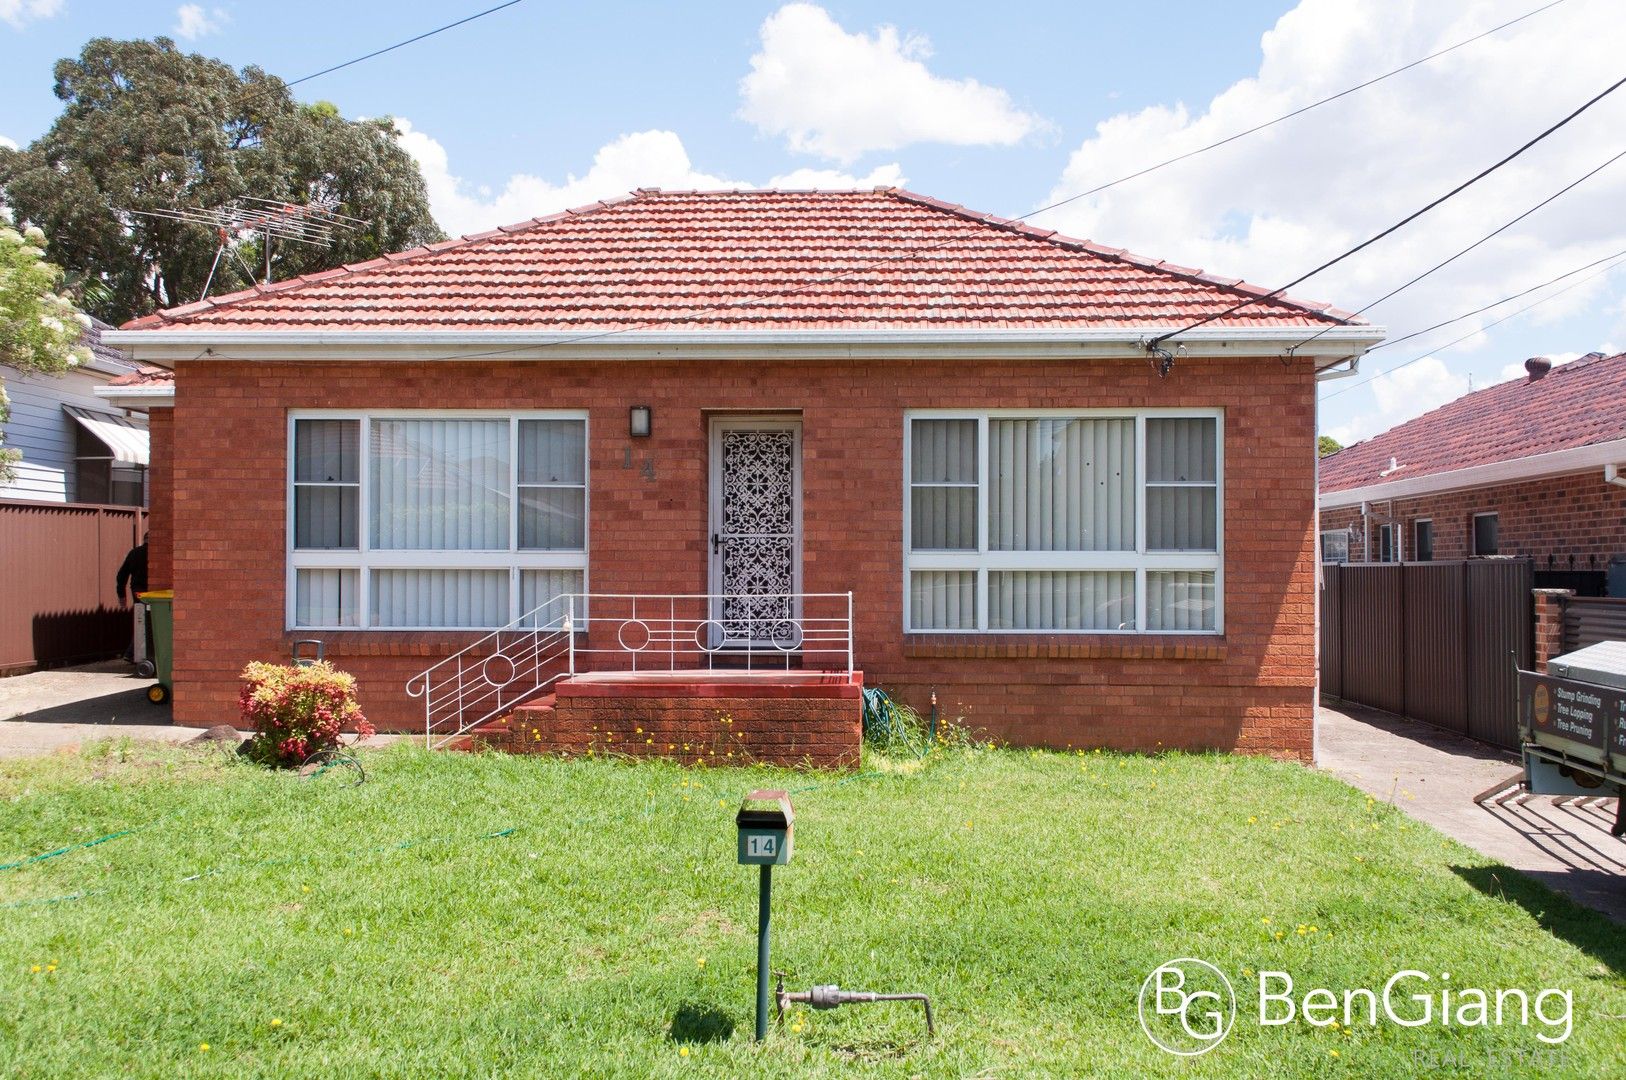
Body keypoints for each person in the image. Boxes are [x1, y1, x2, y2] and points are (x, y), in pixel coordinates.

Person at [116, 537, 149, 662]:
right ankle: (132, 653)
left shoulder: (134, 553)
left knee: (141, 620)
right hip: (152, 591)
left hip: (138, 590)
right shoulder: (156, 551)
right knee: (148, 621)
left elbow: (122, 575)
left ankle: (132, 653)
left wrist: (121, 595)